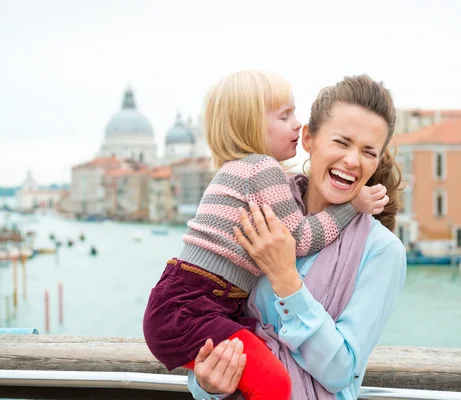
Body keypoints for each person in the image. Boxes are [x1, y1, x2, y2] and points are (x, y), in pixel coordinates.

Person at [142, 71, 389, 400]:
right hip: (197, 302)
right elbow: (301, 239)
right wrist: (207, 386)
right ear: (309, 139)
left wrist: (286, 278)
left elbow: (340, 371)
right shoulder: (264, 177)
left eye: (369, 151)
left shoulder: (383, 251)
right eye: (341, 142)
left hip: (183, 300)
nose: (352, 159)